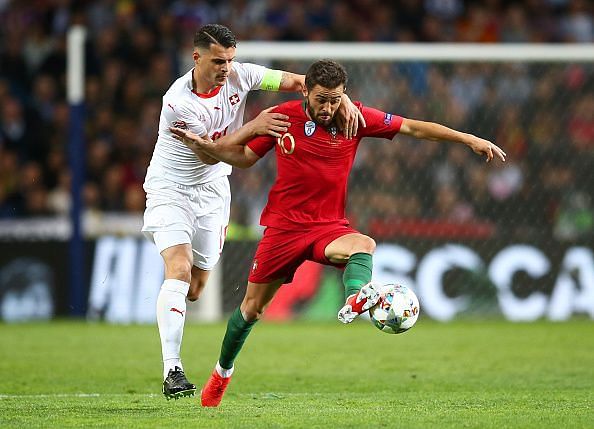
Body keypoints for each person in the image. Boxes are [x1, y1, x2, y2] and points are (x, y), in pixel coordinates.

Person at [170, 59, 506, 407]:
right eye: (321, 100)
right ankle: (222, 373)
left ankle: (355, 297)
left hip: (327, 227)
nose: (328, 108)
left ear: (344, 96)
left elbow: (414, 129)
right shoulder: (283, 117)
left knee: (364, 244)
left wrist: (469, 139)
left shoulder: (355, 117)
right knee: (251, 309)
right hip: (283, 229)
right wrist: (207, 148)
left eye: (335, 99)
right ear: (306, 92)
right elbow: (243, 159)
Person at [142, 25, 364, 400]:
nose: (226, 68)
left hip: (213, 191)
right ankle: (173, 369)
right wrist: (255, 126)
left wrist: (342, 102)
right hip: (171, 188)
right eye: (217, 61)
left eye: (229, 59)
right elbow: (207, 151)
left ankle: (177, 315)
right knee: (178, 270)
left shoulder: (243, 74)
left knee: (195, 289)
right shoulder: (178, 102)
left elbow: (300, 83)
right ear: (196, 58)